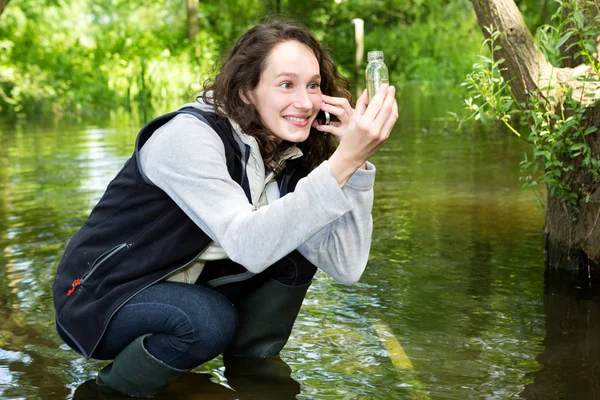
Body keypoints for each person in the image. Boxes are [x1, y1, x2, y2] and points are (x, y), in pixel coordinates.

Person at [52, 18, 398, 398]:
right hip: (99, 297)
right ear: (247, 91)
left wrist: (358, 168)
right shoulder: (187, 138)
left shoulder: (287, 153)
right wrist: (343, 162)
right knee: (207, 321)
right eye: (286, 84)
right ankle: (108, 393)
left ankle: (254, 373)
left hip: (183, 284)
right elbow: (248, 244)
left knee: (295, 252)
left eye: (313, 85)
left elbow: (346, 266)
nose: (305, 102)